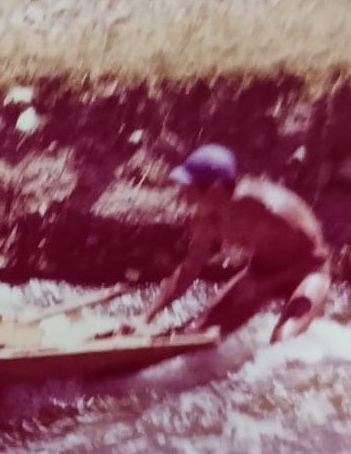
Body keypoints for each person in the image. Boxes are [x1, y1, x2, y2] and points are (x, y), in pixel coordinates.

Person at [137, 143, 330, 344]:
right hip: (261, 272)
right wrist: (147, 316)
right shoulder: (204, 219)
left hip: (307, 273)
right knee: (198, 332)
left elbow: (318, 258)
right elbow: (189, 269)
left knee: (281, 340)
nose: (182, 194)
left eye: (189, 188)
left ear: (215, 189)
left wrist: (263, 287)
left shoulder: (268, 210)